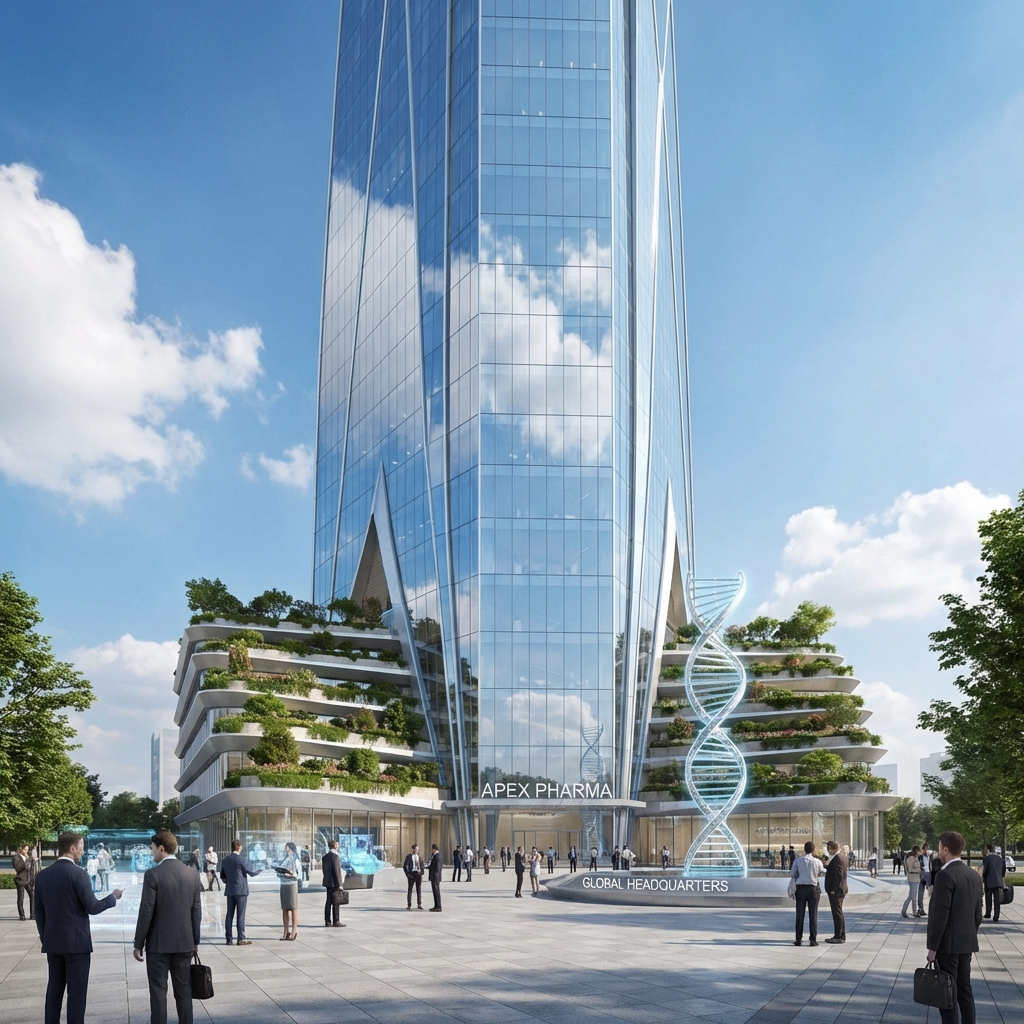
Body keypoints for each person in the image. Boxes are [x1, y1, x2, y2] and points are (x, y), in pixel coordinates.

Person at [35, 831, 123, 1024]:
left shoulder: (42, 876)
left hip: (53, 944)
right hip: (77, 946)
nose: (82, 852)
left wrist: (46, 937)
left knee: (54, 992)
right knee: (76, 995)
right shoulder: (78, 874)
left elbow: (39, 913)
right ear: (72, 848)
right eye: (81, 847)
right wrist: (112, 898)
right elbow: (93, 907)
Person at [132, 830, 202, 1024]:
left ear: (161, 848)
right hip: (184, 943)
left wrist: (138, 943)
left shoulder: (153, 874)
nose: (152, 852)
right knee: (184, 992)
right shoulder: (191, 873)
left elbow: (146, 911)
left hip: (158, 945)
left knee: (158, 993)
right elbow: (196, 911)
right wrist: (195, 940)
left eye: (153, 848)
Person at [927, 831, 983, 1024]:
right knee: (965, 990)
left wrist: (933, 948)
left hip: (947, 946)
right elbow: (978, 913)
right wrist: (969, 934)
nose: (938, 852)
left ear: (945, 849)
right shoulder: (973, 875)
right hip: (966, 943)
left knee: (947, 993)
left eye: (939, 848)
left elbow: (940, 915)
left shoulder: (945, 875)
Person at [220, 839, 260, 945]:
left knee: (229, 914)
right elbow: (252, 872)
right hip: (241, 890)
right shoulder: (241, 860)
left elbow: (222, 876)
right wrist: (260, 870)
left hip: (230, 891)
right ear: (240, 847)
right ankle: (241, 938)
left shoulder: (225, 860)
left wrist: (229, 883)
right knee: (240, 914)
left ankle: (229, 938)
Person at [790, 840, 824, 946]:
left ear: (804, 849)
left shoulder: (798, 861)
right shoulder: (817, 862)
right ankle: (813, 939)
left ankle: (798, 939)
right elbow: (821, 871)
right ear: (813, 850)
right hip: (813, 889)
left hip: (800, 889)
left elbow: (793, 874)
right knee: (813, 914)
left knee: (799, 915)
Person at [823, 840, 847, 944]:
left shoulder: (837, 858)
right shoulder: (841, 857)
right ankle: (841, 935)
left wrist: (833, 889)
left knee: (837, 913)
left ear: (832, 849)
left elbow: (839, 875)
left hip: (837, 890)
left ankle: (838, 935)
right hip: (840, 889)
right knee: (839, 912)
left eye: (829, 849)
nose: (828, 851)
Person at [278, 841, 301, 940]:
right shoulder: (284, 859)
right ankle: (285, 931)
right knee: (285, 908)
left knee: (293, 908)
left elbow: (298, 874)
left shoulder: (296, 859)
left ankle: (293, 932)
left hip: (291, 885)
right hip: (283, 884)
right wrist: (280, 873)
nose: (286, 850)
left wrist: (291, 874)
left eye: (287, 848)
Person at [322, 840, 346, 927]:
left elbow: (324, 870)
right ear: (335, 845)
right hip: (334, 883)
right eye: (337, 844)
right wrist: (339, 884)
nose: (338, 846)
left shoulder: (325, 857)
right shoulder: (335, 857)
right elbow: (337, 871)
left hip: (328, 882)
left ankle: (327, 921)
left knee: (328, 901)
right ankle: (336, 921)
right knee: (336, 902)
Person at [982, 844, 1006, 923]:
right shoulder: (1000, 859)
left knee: (988, 898)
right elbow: (1003, 871)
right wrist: (1001, 877)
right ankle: (996, 916)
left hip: (989, 881)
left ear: (988, 850)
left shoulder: (987, 859)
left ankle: (988, 913)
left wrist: (984, 878)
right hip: (998, 881)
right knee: (997, 900)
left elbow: (984, 870)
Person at [900, 844, 922, 918]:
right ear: (916, 851)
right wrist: (919, 870)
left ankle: (904, 911)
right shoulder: (910, 859)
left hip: (916, 878)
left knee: (911, 896)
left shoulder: (916, 858)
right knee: (913, 897)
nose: (920, 853)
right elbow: (910, 869)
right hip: (912, 878)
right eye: (919, 851)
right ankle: (914, 912)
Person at [13, 843, 35, 920]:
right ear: (21, 849)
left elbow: (30, 869)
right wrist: (26, 862)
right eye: (25, 849)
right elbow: (18, 868)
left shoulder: (28, 858)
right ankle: (22, 915)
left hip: (27, 880)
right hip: (20, 880)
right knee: (21, 898)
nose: (26, 851)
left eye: (27, 850)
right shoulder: (16, 858)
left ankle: (33, 915)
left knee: (32, 895)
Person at [403, 843, 424, 910]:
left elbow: (422, 866)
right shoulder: (409, 856)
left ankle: (419, 904)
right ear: (413, 849)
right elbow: (405, 866)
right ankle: (409, 904)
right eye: (415, 849)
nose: (416, 850)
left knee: (419, 889)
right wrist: (407, 874)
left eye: (417, 849)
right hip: (411, 874)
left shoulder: (419, 857)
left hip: (418, 874)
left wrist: (421, 872)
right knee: (410, 889)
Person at [919, 843, 933, 915]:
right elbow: (919, 865)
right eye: (924, 849)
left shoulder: (930, 856)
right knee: (920, 892)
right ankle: (921, 908)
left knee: (930, 892)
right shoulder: (920, 857)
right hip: (922, 874)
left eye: (926, 849)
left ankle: (932, 909)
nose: (925, 850)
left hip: (929, 874)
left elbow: (932, 865)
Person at [428, 843, 442, 911]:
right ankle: (436, 905)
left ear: (434, 849)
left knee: (436, 891)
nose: (431, 851)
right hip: (434, 876)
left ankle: (438, 906)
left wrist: (436, 875)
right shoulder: (434, 855)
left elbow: (438, 867)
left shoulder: (437, 856)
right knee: (435, 891)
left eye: (432, 849)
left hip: (435, 876)